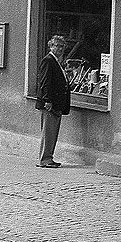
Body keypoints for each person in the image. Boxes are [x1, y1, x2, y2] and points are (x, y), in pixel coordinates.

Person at [35, 35, 71, 168]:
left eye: (62, 46)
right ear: (50, 46)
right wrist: (47, 100)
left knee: (52, 132)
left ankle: (48, 157)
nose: (60, 49)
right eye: (57, 46)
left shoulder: (56, 61)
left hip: (56, 103)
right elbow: (45, 82)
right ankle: (45, 159)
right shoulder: (48, 61)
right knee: (48, 132)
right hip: (50, 104)